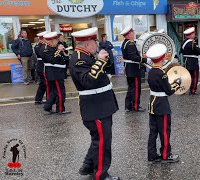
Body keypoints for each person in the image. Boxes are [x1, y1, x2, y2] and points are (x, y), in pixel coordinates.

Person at [70, 27, 120, 180]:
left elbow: (102, 73)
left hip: (100, 105)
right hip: (95, 107)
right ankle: (101, 175)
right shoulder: (79, 59)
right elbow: (88, 81)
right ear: (87, 44)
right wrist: (99, 61)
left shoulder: (87, 55)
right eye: (95, 43)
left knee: (98, 139)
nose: (97, 46)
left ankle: (88, 166)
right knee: (102, 141)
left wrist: (103, 60)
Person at [147, 43, 181, 164]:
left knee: (153, 131)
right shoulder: (161, 73)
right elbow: (168, 91)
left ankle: (151, 155)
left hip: (152, 104)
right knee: (165, 131)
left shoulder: (151, 71)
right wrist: (177, 84)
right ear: (162, 58)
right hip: (162, 105)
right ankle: (166, 154)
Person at [41, 32, 70, 114]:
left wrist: (64, 53)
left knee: (54, 92)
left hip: (58, 72)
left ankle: (47, 106)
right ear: (51, 40)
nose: (57, 42)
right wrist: (59, 51)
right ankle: (60, 109)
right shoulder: (45, 48)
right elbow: (52, 60)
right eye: (56, 40)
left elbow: (62, 59)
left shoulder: (53, 47)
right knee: (60, 91)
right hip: (54, 73)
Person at [120, 26, 148, 112]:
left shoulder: (125, 42)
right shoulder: (130, 44)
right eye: (132, 33)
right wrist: (145, 60)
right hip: (133, 69)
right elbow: (133, 57)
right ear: (128, 35)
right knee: (136, 88)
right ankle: (135, 106)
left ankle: (128, 105)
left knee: (131, 88)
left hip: (129, 69)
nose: (134, 34)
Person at [180, 27, 200, 95]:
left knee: (186, 76)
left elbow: (181, 51)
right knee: (194, 76)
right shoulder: (192, 43)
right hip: (193, 61)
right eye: (193, 33)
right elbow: (198, 50)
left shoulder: (183, 42)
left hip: (186, 61)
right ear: (190, 35)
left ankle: (182, 90)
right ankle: (193, 90)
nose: (194, 35)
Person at [34, 31, 49, 105]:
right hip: (42, 66)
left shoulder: (38, 45)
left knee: (42, 84)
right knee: (47, 84)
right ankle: (49, 100)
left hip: (41, 66)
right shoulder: (41, 46)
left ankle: (38, 99)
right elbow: (44, 55)